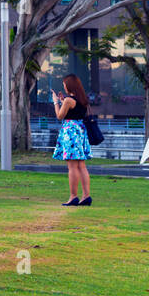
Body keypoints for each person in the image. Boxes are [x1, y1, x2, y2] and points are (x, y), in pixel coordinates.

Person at [51, 73, 92, 206]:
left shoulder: (69, 101)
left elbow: (60, 115)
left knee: (72, 166)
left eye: (65, 85)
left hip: (70, 132)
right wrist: (63, 102)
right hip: (80, 130)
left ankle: (73, 196)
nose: (64, 87)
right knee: (81, 165)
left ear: (69, 86)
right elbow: (74, 111)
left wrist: (56, 102)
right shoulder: (82, 99)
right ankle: (86, 196)